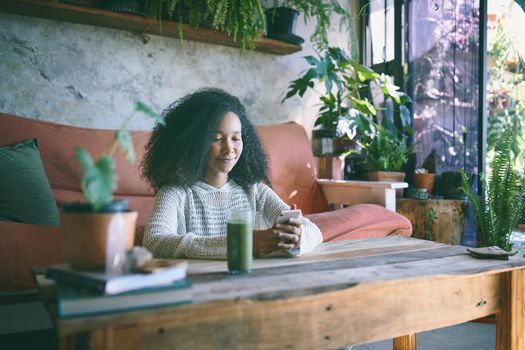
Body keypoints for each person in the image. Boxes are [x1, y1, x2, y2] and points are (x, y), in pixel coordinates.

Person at [141, 88, 322, 259]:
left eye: (236, 138)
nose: (229, 149)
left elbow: (314, 231)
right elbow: (154, 241)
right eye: (217, 139)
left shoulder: (255, 191)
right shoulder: (176, 193)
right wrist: (240, 243)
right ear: (193, 143)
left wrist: (298, 238)